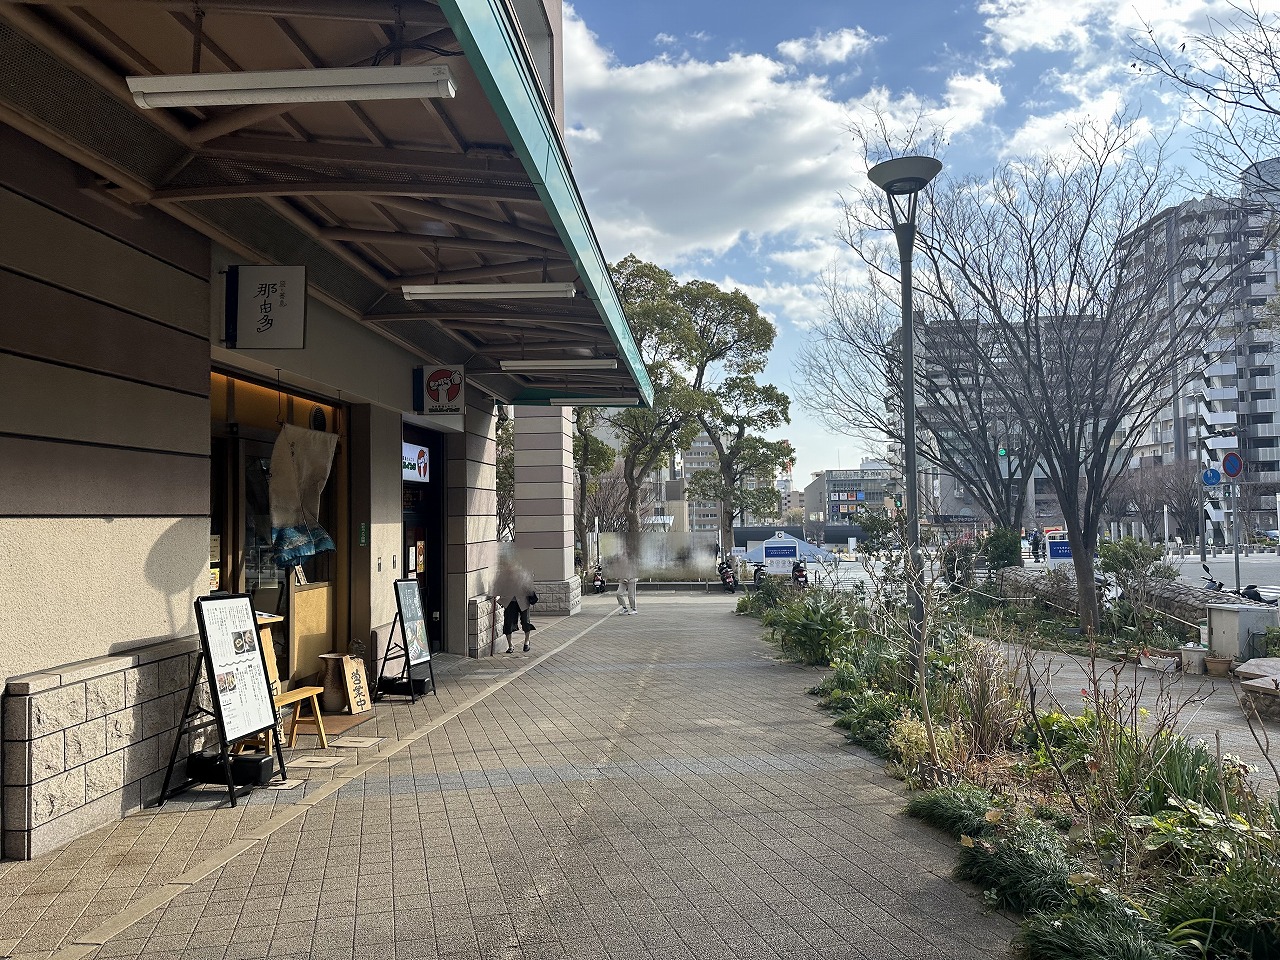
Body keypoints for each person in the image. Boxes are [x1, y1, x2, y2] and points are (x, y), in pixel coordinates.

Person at [492, 558, 536, 653]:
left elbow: (528, 585)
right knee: (508, 623)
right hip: (510, 601)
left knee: (525, 622)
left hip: (523, 601)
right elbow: (498, 586)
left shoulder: (523, 573)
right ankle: (510, 645)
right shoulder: (504, 575)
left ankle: (527, 642)